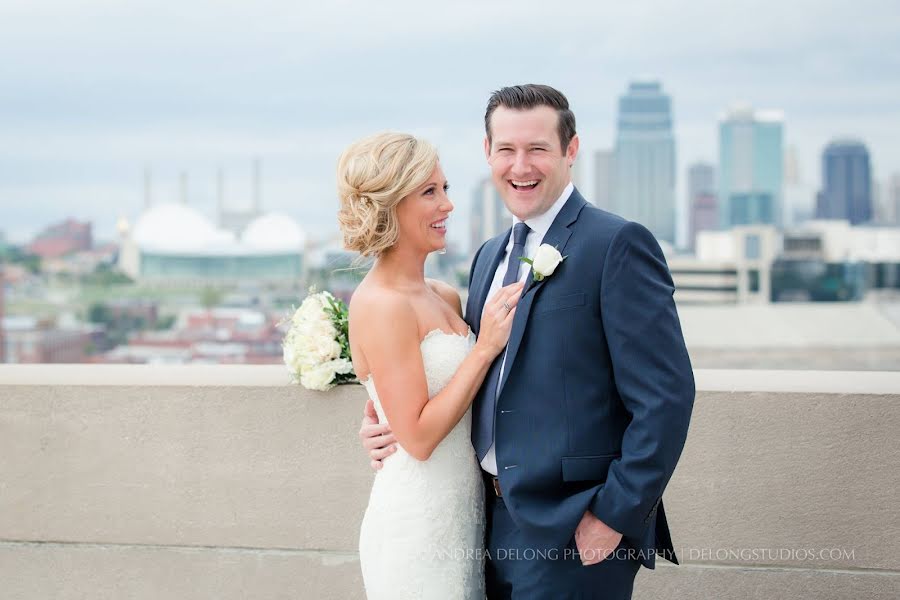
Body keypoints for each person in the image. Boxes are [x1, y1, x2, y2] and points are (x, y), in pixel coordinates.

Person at [360, 84, 695, 599]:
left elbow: (666, 398)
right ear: (488, 154)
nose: (522, 166)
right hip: (480, 521)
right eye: (506, 150)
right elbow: (473, 378)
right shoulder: (488, 256)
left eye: (538, 148)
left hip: (573, 529)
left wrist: (613, 514)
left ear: (571, 150)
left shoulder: (617, 244)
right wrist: (386, 422)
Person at [338, 132, 525, 599]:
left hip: (464, 513)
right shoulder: (378, 304)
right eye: (429, 192)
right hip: (415, 525)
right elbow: (418, 438)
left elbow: (459, 396)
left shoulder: (444, 295)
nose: (447, 205)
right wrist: (484, 349)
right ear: (391, 204)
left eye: (446, 189)